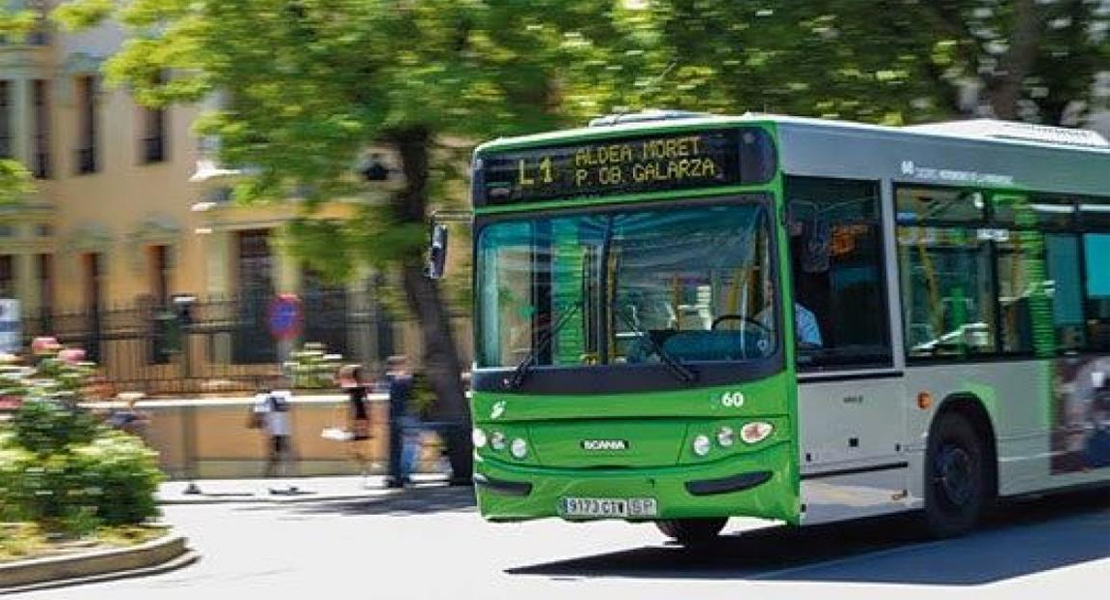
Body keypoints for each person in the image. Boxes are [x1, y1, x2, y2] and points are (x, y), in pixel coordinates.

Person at [251, 388, 297, 493]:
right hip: (275, 433)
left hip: (282, 432)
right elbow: (257, 419)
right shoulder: (266, 399)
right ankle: (269, 483)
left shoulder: (281, 396)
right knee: (276, 459)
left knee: (282, 458)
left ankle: (280, 483)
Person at [384, 355, 418, 489]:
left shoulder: (390, 381)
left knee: (398, 449)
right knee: (409, 448)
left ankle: (397, 474)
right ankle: (404, 474)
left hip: (396, 417)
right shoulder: (402, 380)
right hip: (407, 417)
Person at [338, 364, 373, 480]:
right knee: (361, 444)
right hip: (363, 418)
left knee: (353, 446)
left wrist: (349, 423)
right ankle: (366, 465)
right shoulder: (363, 389)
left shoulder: (352, 390)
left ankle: (365, 465)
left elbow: (352, 407)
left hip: (357, 419)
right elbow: (367, 404)